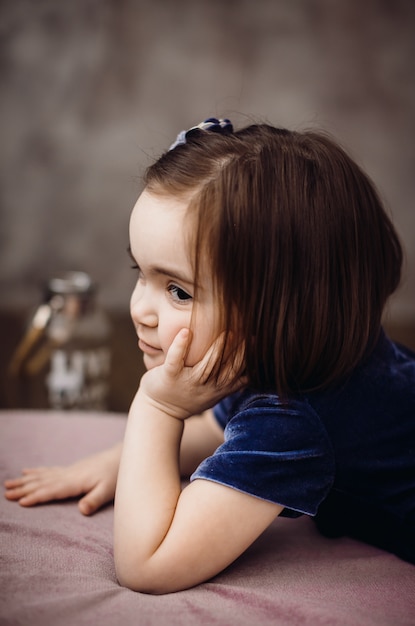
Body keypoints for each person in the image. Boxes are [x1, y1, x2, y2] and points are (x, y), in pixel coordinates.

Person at [4, 118, 415, 594]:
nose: (139, 310)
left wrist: (158, 409)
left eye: (177, 290)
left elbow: (148, 565)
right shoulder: (298, 354)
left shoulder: (294, 421)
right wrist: (118, 464)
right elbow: (216, 428)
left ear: (281, 310)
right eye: (142, 273)